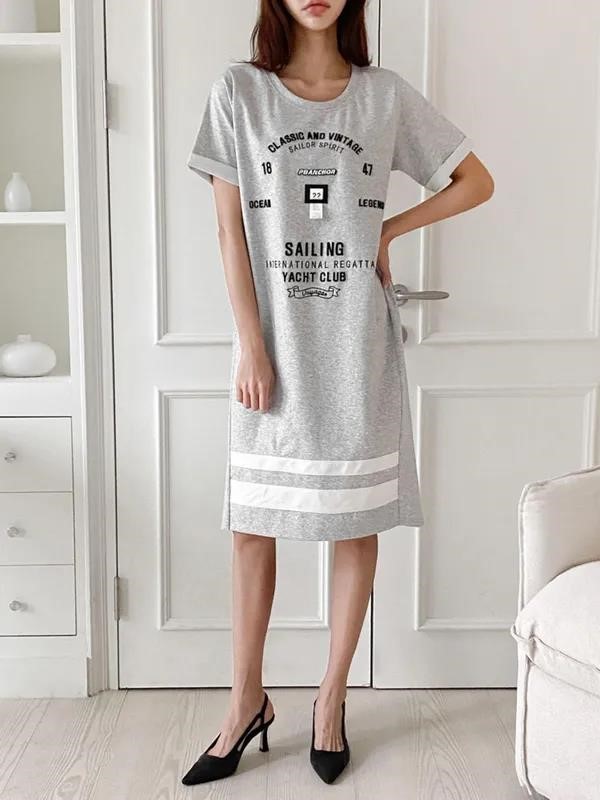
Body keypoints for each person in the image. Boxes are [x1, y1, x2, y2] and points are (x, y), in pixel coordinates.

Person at [181, 0, 494, 787]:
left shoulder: (383, 96)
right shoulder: (240, 92)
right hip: (273, 350)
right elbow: (228, 231)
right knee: (252, 527)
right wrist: (252, 344)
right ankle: (245, 702)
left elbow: (474, 181)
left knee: (355, 525)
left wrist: (388, 229)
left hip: (358, 347)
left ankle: (330, 701)